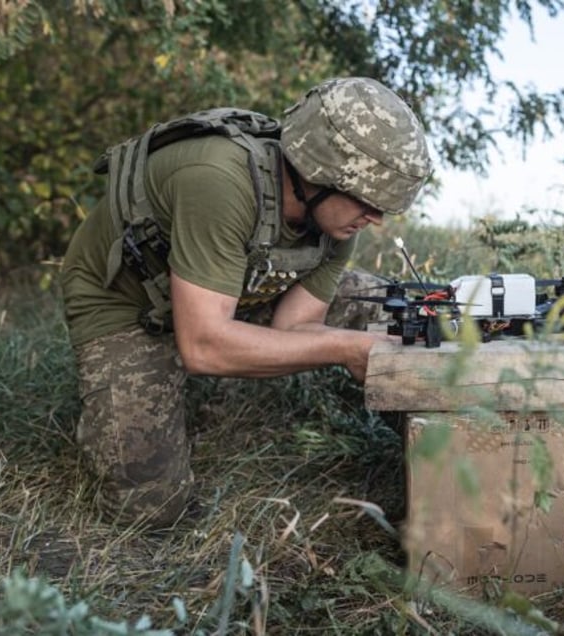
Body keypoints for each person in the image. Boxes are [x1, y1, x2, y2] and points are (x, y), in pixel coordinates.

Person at [61, 77, 432, 528]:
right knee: (152, 512)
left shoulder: (334, 220)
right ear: (319, 172)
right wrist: (348, 349)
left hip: (235, 284)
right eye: (369, 201)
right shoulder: (218, 179)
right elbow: (203, 347)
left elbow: (294, 329)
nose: (375, 218)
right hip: (127, 300)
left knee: (392, 314)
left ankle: (440, 460)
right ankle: (112, 403)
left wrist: (358, 343)